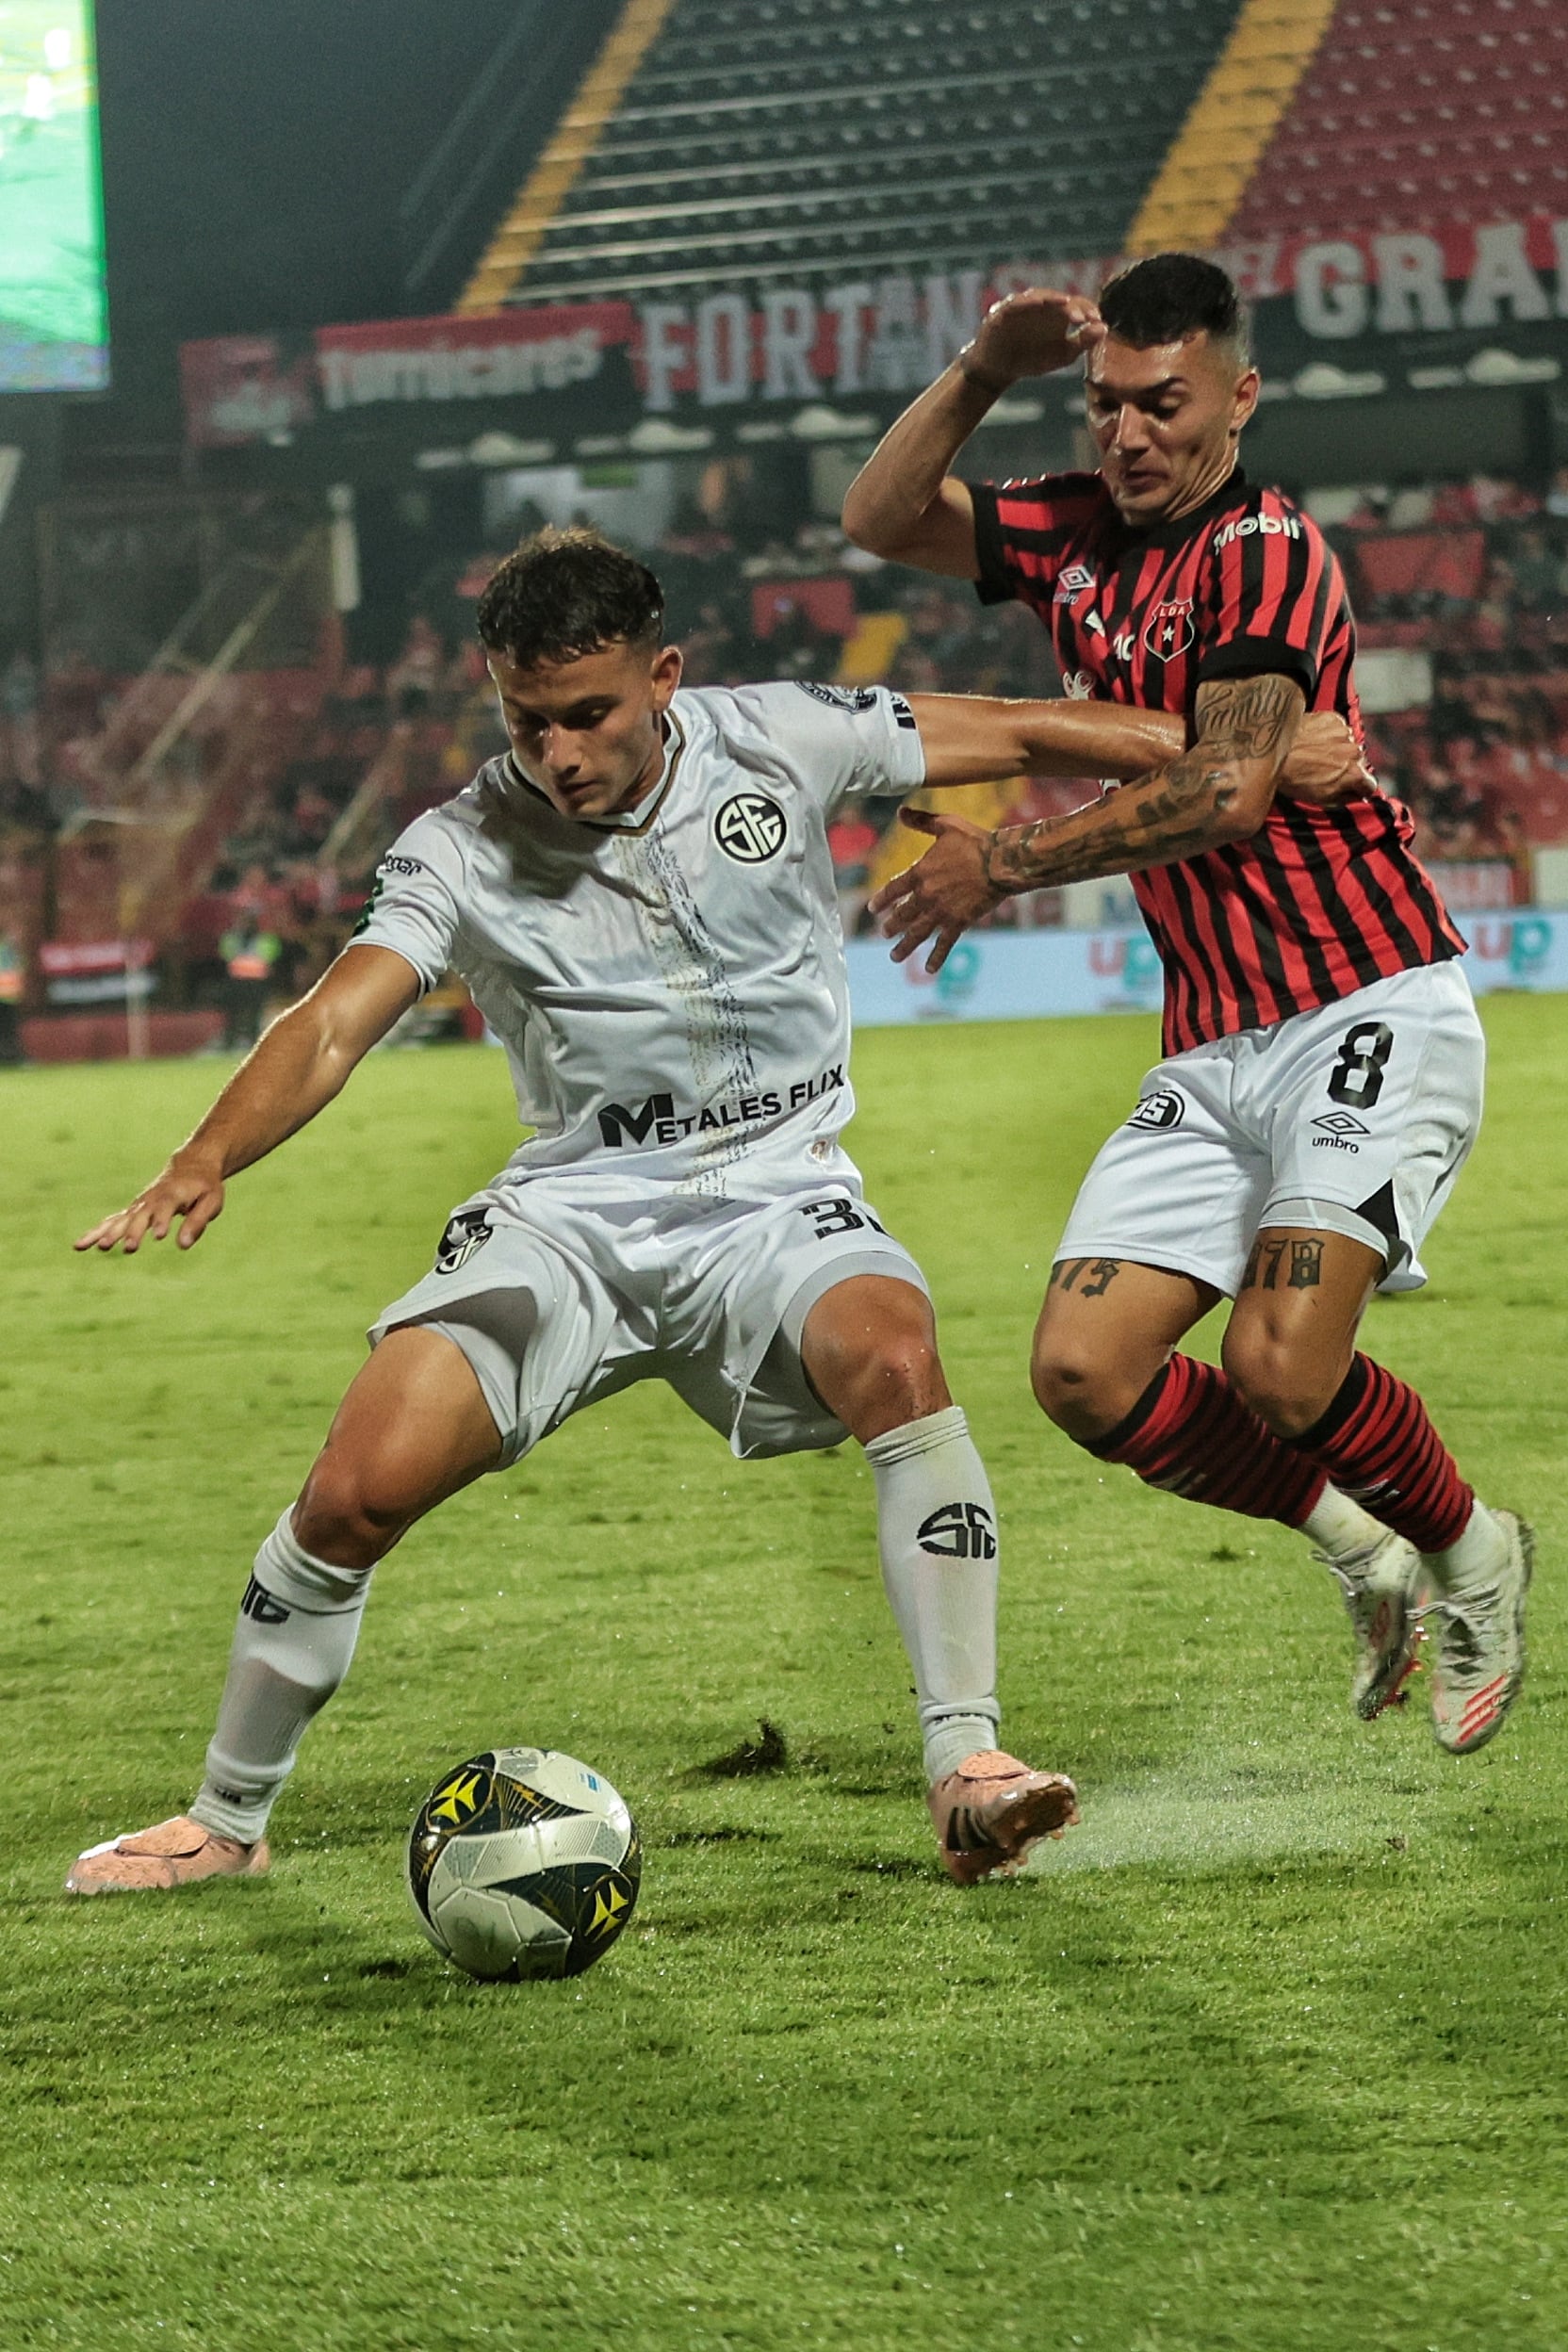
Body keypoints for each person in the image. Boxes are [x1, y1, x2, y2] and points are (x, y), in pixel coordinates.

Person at [74, 525, 1322, 1900]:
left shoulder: (783, 737)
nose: (557, 750)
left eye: (590, 713)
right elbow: (332, 1022)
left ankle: (968, 1770)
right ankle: (228, 1821)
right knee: (353, 1493)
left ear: (664, 676)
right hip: (576, 1216)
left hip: (780, 1196)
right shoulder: (461, 844)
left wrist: (1226, 760)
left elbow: (1019, 727)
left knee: (897, 1359)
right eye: (526, 718)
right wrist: (206, 1156)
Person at [842, 253, 1530, 1756]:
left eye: (1164, 403)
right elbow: (880, 517)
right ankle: (1362, 1547)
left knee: (1280, 1370)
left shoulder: (1266, 548)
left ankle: (1473, 1550)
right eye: (1104, 406)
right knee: (1082, 1375)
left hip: (1362, 1002)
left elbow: (1224, 790)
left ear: (1238, 397)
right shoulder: (1081, 535)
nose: (1128, 434)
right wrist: (979, 370)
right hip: (1212, 1042)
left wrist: (1006, 864)